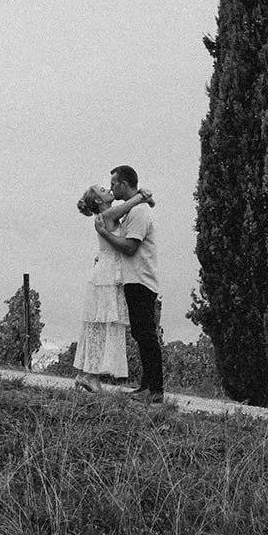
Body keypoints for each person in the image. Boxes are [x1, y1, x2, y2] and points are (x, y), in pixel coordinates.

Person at [73, 182, 153, 393]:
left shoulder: (114, 216)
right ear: (99, 200)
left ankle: (88, 374)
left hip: (112, 273)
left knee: (103, 325)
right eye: (103, 190)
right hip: (106, 276)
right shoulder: (105, 217)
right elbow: (136, 202)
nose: (108, 190)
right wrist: (140, 196)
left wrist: (145, 197)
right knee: (103, 324)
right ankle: (90, 375)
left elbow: (143, 203)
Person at [96, 165, 163, 404]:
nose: (112, 187)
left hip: (141, 279)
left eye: (114, 183)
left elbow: (130, 247)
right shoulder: (133, 209)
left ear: (124, 184)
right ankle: (147, 385)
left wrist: (105, 235)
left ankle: (155, 389)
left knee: (146, 334)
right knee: (141, 332)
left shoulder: (138, 213)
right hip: (134, 279)